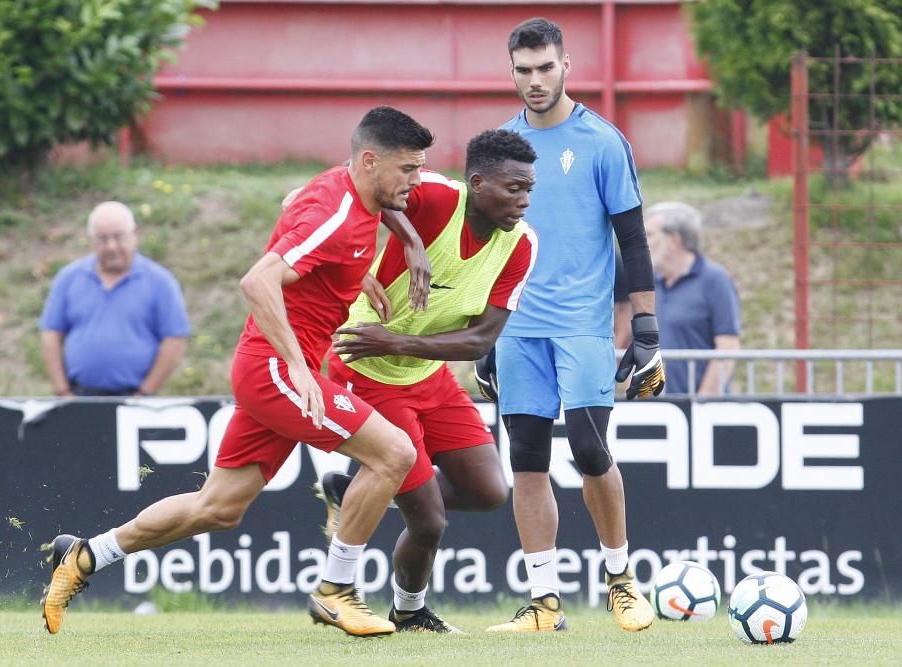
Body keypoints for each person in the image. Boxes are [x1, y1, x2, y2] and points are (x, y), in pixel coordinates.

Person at [40, 106, 436, 639]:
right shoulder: (337, 212)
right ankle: (336, 591)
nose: (416, 180)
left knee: (219, 508)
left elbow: (293, 207)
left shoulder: (345, 193)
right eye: (408, 169)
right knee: (394, 453)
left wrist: (355, 273)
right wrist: (298, 368)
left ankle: (87, 555)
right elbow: (257, 281)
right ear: (370, 162)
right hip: (274, 368)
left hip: (266, 368)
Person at [313, 129, 538, 633]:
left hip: (422, 369)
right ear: (477, 183)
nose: (523, 201)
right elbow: (362, 188)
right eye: (512, 188)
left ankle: (353, 489)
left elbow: (480, 340)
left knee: (487, 490)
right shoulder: (434, 195)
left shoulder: (521, 245)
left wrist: (399, 344)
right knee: (430, 520)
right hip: (365, 367)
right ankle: (409, 610)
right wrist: (411, 242)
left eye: (529, 190)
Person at [483, 17, 666, 634]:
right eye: (523, 70)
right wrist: (480, 329)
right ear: (510, 73)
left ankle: (620, 580)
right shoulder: (498, 146)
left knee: (590, 452)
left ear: (567, 66)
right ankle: (544, 605)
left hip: (583, 327)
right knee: (527, 462)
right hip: (516, 330)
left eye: (545, 67)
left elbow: (633, 240)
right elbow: (482, 246)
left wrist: (646, 331)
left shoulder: (602, 141)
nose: (535, 81)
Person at [39, 201, 190, 397]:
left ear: (135, 234)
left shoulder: (161, 282)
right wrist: (62, 391)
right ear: (91, 240)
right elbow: (51, 334)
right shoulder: (68, 278)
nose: (111, 246)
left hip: (136, 400)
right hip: (78, 398)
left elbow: (175, 340)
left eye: (118, 237)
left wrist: (145, 393)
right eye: (102, 239)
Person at [645, 202, 741, 394]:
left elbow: (728, 347)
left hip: (701, 413)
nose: (642, 242)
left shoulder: (715, 280)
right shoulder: (650, 284)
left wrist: (699, 405)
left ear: (674, 240)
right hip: (657, 411)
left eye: (649, 235)